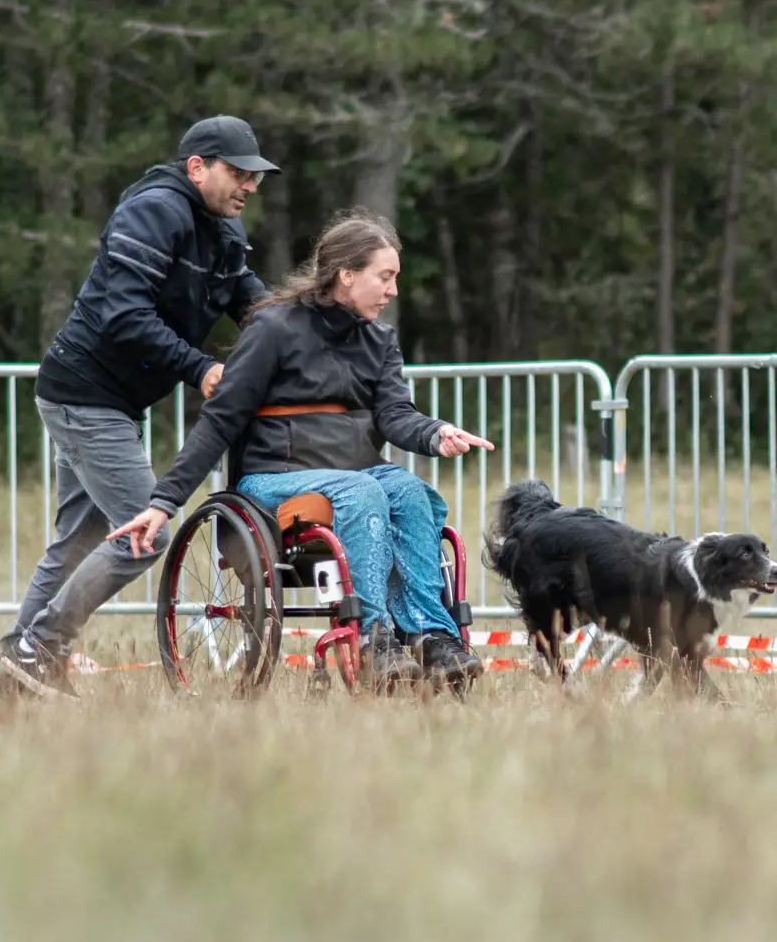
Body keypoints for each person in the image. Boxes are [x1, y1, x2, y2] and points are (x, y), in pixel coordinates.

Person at [108, 208, 494, 689]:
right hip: (272, 479)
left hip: (356, 475)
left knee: (410, 492)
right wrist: (164, 502)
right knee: (361, 492)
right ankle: (374, 638)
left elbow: (397, 416)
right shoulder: (273, 329)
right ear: (347, 275)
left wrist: (436, 433)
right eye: (386, 277)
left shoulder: (380, 340)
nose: (393, 290)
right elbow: (220, 420)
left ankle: (432, 637)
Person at [0, 115, 279, 698]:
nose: (250, 185)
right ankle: (41, 646)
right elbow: (125, 316)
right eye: (239, 172)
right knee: (143, 527)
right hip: (85, 393)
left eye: (256, 175)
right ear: (197, 167)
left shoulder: (221, 229)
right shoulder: (155, 211)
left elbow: (250, 299)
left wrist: (300, 327)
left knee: (77, 539)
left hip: (109, 401)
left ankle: (17, 662)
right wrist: (201, 367)